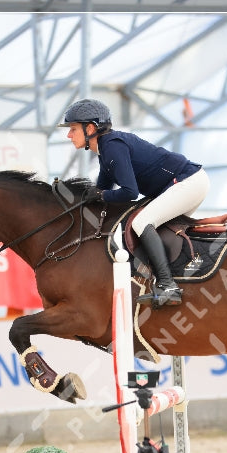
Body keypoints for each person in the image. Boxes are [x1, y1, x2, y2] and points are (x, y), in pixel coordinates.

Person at [60, 98, 210, 309]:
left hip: (188, 182)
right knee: (149, 224)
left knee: (141, 222)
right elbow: (101, 192)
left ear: (91, 128)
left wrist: (100, 196)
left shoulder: (112, 146)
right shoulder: (105, 151)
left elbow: (128, 193)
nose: (68, 134)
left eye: (73, 129)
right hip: (184, 183)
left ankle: (168, 285)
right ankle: (174, 277)